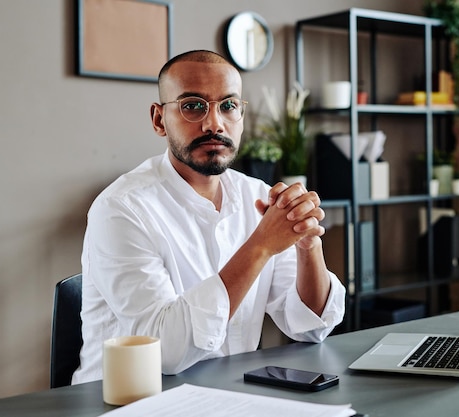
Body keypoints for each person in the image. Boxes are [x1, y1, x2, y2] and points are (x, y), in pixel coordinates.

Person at [72, 50, 346, 384]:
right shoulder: (120, 209)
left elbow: (310, 326)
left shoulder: (258, 196)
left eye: (228, 106)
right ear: (159, 120)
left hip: (230, 397)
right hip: (129, 403)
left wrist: (307, 244)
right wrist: (260, 245)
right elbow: (165, 352)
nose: (214, 123)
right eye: (192, 105)